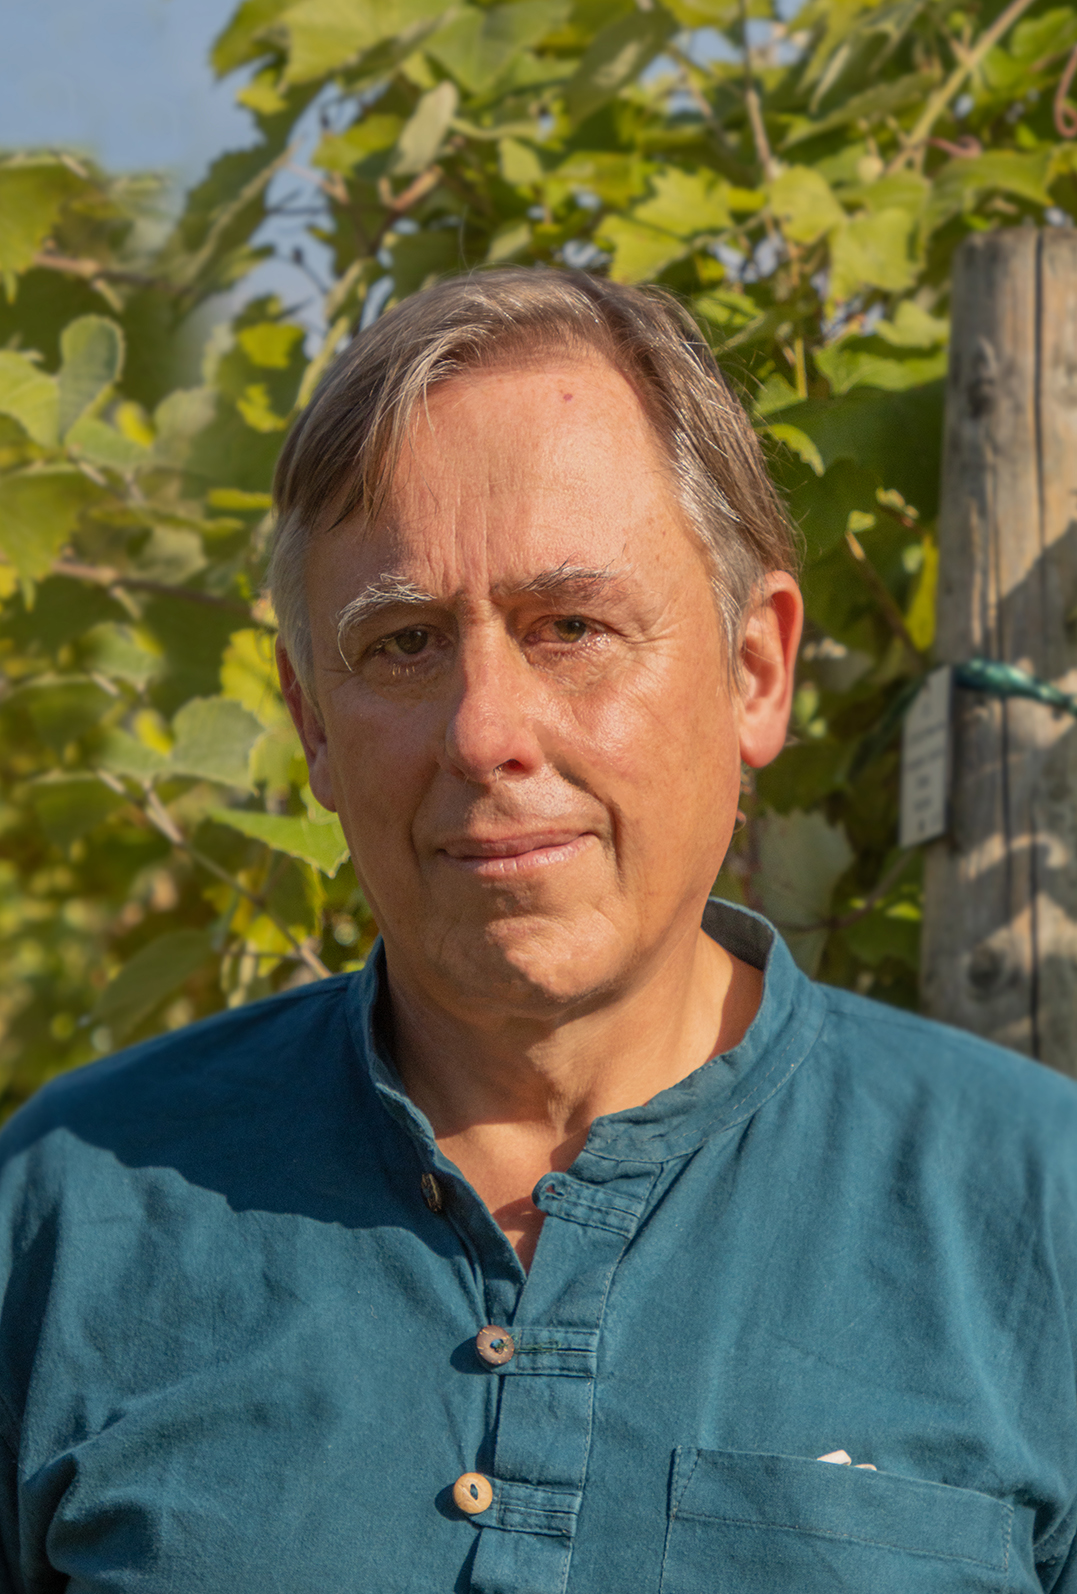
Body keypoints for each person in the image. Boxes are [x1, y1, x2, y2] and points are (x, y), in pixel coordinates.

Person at [1, 267, 1075, 1594]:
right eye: (400, 643)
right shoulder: (68, 1211)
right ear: (311, 722)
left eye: (571, 626)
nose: (485, 733)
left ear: (756, 669)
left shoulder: (1037, 1212)